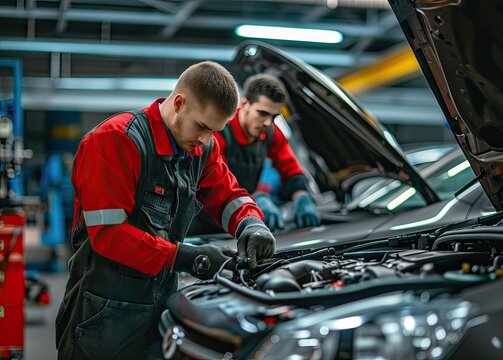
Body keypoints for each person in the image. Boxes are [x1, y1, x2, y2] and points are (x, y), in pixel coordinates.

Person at [55, 61, 276, 360]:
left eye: (214, 131)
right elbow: (108, 235)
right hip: (104, 314)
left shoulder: (200, 148)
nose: (206, 139)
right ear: (179, 103)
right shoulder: (116, 140)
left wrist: (251, 223)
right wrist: (184, 256)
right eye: (201, 126)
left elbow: (228, 195)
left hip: (163, 307)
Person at [190, 73, 320, 233]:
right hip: (207, 222)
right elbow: (216, 187)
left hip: (245, 217)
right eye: (262, 113)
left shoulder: (271, 133)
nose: (268, 122)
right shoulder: (220, 131)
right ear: (244, 103)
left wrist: (301, 196)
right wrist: (256, 201)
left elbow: (290, 168)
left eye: (274, 116)